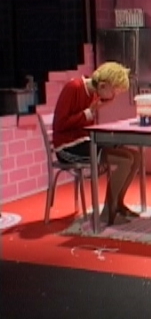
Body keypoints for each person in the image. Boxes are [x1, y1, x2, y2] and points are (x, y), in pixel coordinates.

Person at [52, 61, 141, 226]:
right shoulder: (73, 87)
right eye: (114, 92)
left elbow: (87, 126)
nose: (114, 96)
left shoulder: (94, 95)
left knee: (135, 157)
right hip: (67, 147)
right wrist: (89, 113)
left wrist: (94, 113)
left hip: (84, 141)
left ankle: (118, 204)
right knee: (124, 160)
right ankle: (108, 212)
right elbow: (59, 124)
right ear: (103, 85)